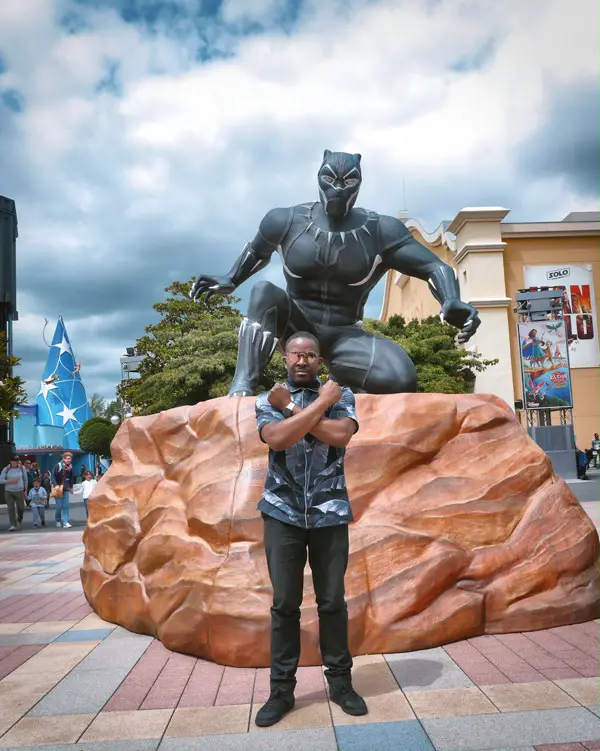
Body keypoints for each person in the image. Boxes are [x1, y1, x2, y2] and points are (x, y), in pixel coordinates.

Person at [191, 150, 480, 397]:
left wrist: (450, 299)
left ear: (359, 183)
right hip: (297, 324)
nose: (339, 188)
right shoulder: (285, 220)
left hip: (346, 334)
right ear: (319, 178)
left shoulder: (381, 230)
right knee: (263, 291)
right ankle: (242, 388)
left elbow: (434, 266)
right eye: (330, 179)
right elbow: (257, 252)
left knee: (400, 377)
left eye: (349, 181)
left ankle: (344, 393)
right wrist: (230, 278)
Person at [253, 332, 366, 728]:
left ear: (320, 360)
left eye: (310, 355)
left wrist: (306, 408)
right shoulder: (269, 400)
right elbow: (278, 438)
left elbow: (340, 435)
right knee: (284, 604)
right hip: (282, 513)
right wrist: (318, 406)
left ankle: (341, 684)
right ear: (284, 359)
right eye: (295, 354)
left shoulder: (343, 394)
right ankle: (281, 691)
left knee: (332, 601)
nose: (302, 361)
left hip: (329, 513)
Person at [0, 455, 28, 531]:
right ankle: (13, 525)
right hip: (9, 491)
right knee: (11, 508)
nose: (16, 462)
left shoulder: (22, 468)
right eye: (14, 461)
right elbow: (1, 480)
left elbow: (25, 480)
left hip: (19, 490)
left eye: (17, 460)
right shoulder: (6, 469)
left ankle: (19, 519)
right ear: (11, 461)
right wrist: (9, 481)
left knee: (21, 508)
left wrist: (26, 491)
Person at [51, 451, 74, 528]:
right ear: (63, 459)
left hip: (66, 488)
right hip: (58, 488)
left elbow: (71, 478)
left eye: (70, 459)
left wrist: (71, 487)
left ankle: (65, 522)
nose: (69, 460)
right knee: (59, 506)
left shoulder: (70, 467)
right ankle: (57, 520)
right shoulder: (58, 466)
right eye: (67, 459)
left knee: (66, 506)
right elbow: (53, 476)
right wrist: (56, 485)